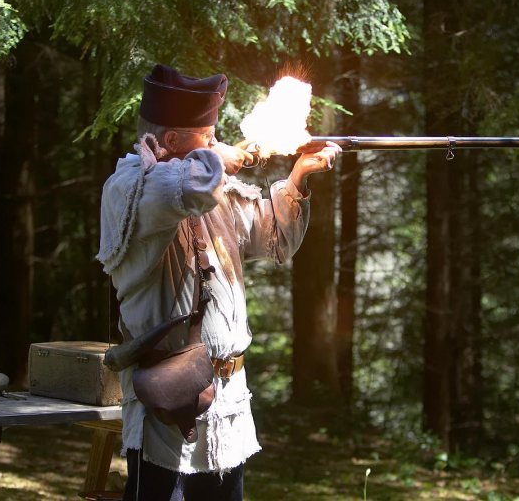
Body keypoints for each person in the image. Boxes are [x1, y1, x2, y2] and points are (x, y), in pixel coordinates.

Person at [96, 64, 341, 501]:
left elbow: (274, 240)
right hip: (166, 396)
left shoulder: (210, 185)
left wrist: (299, 176)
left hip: (227, 395)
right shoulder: (131, 188)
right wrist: (216, 157)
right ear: (171, 141)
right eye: (207, 136)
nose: (216, 143)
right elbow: (186, 188)